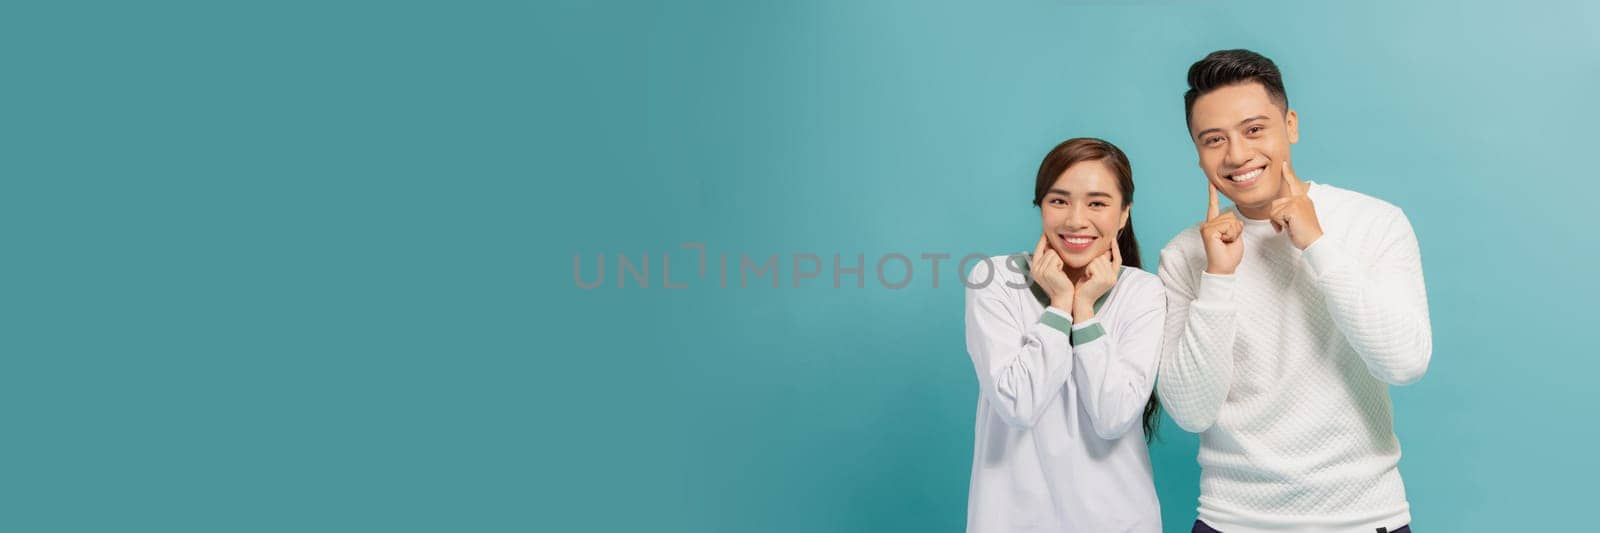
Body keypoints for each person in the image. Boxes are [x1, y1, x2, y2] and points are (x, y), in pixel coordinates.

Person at [1156, 49, 1433, 533]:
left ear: (1291, 125)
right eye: (1213, 140)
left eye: (1254, 129)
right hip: (1231, 520)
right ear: (1198, 152)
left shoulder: (1374, 223)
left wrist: (1317, 245)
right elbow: (1190, 411)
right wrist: (1217, 279)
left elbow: (1405, 363)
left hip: (1365, 518)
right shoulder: (1185, 254)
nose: (1237, 155)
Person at [964, 137, 1165, 532]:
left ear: (1124, 214)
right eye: (1059, 201)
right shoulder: (996, 280)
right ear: (1040, 206)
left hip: (1119, 519)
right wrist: (1059, 305)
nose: (1076, 219)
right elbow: (1018, 405)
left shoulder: (1143, 291)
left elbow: (1113, 417)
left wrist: (1085, 311)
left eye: (1097, 203)